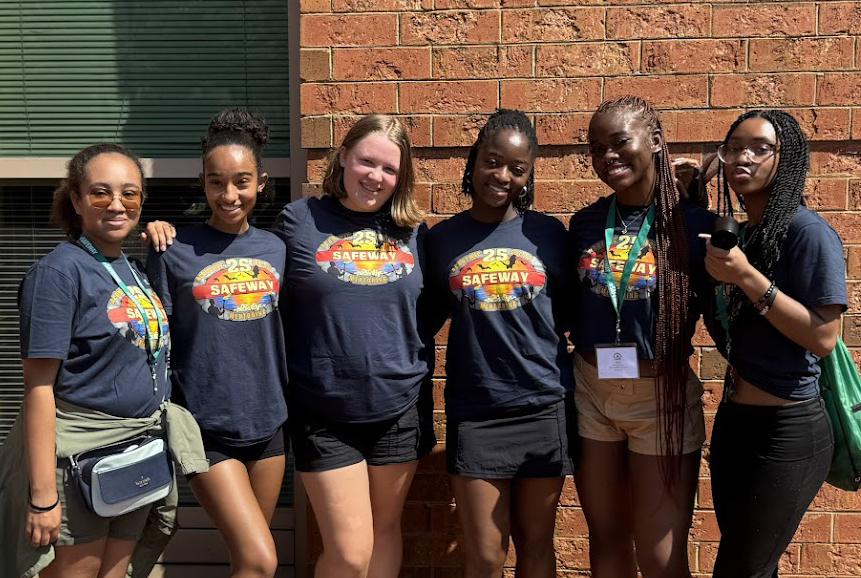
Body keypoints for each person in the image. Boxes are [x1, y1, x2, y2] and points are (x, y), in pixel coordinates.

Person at [1, 143, 207, 578]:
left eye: (129, 193)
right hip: (79, 465)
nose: (116, 203)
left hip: (134, 457)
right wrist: (42, 497)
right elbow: (38, 389)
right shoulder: (59, 273)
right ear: (76, 200)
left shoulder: (132, 270)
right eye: (100, 192)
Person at [271, 114, 434, 578]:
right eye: (366, 161)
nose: (375, 177)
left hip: (399, 406)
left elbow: (433, 305)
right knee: (349, 552)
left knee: (385, 531)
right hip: (323, 410)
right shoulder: (298, 221)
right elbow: (245, 261)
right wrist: (174, 234)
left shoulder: (414, 232)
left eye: (389, 169)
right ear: (343, 156)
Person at [422, 109, 575, 578]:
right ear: (473, 162)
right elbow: (422, 318)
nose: (502, 176)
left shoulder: (548, 234)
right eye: (492, 161)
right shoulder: (441, 239)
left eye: (517, 168)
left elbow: (566, 315)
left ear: (528, 177)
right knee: (486, 557)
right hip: (477, 410)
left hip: (542, 405)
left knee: (536, 547)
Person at [569, 96, 716, 578]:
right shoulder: (585, 223)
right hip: (593, 388)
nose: (607, 156)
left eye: (619, 142)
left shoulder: (694, 227)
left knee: (659, 556)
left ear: (655, 140)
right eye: (596, 148)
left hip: (661, 397)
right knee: (606, 540)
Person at [146, 108, 289, 578]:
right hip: (204, 426)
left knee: (249, 558)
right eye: (216, 182)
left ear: (262, 182)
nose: (229, 195)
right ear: (202, 183)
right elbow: (154, 338)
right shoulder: (173, 249)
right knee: (261, 559)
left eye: (241, 181)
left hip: (269, 421)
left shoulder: (276, 248)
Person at [704, 110, 845, 578]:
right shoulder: (744, 234)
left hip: (787, 430)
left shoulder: (809, 233)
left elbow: (824, 337)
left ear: (785, 161)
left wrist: (747, 277)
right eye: (734, 147)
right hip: (735, 424)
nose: (743, 156)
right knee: (753, 565)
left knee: (741, 570)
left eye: (760, 148)